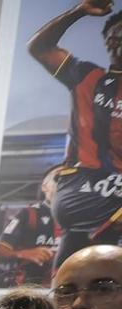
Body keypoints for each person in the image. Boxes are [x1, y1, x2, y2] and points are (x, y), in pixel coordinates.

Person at [27, 0, 122, 265]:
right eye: (114, 36)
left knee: (90, 278)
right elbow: (40, 48)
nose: (119, 40)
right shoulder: (85, 75)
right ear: (107, 43)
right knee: (83, 271)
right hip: (84, 188)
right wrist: (79, 11)